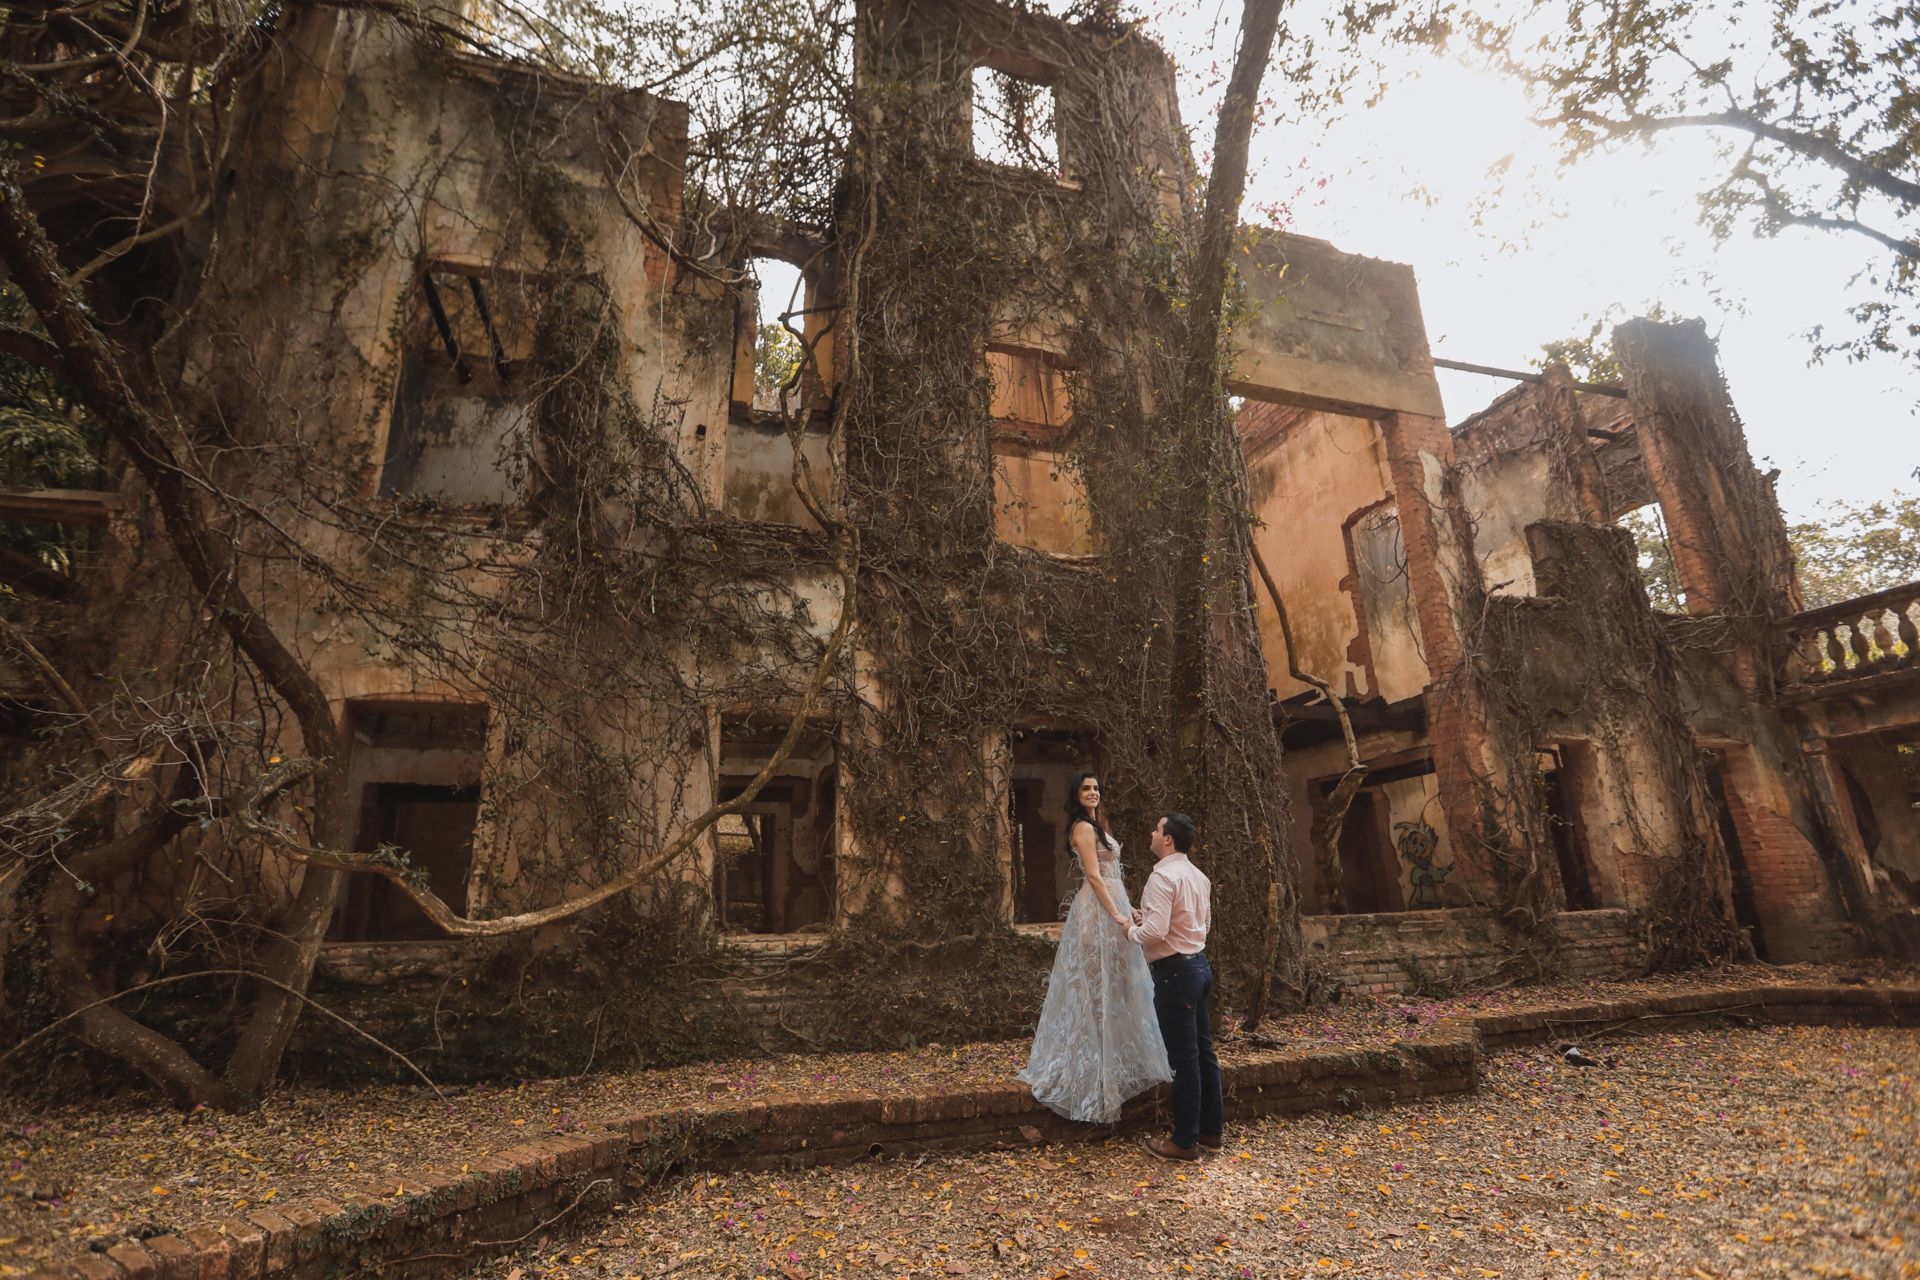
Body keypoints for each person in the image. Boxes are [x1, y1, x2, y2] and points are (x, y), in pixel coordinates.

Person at [1015, 772, 1172, 1123]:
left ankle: (1115, 1060)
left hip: (1113, 907)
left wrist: (1127, 906)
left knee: (1119, 984)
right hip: (1095, 913)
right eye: (1086, 788)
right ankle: (1094, 1069)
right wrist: (1116, 912)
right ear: (1076, 794)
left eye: (1097, 787)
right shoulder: (1083, 828)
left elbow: (1112, 873)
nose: (1093, 792)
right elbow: (1094, 876)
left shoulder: (1097, 826)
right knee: (1095, 988)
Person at [1127, 811, 1223, 1161]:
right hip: (1199, 965)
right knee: (1204, 1053)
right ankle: (1212, 1132)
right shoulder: (1199, 876)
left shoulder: (1162, 877)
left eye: (1156, 829)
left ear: (1168, 839)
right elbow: (1201, 923)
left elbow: (1155, 932)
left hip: (1176, 974)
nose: (1152, 834)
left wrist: (1130, 930)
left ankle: (1184, 1142)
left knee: (1185, 1060)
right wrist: (1148, 920)